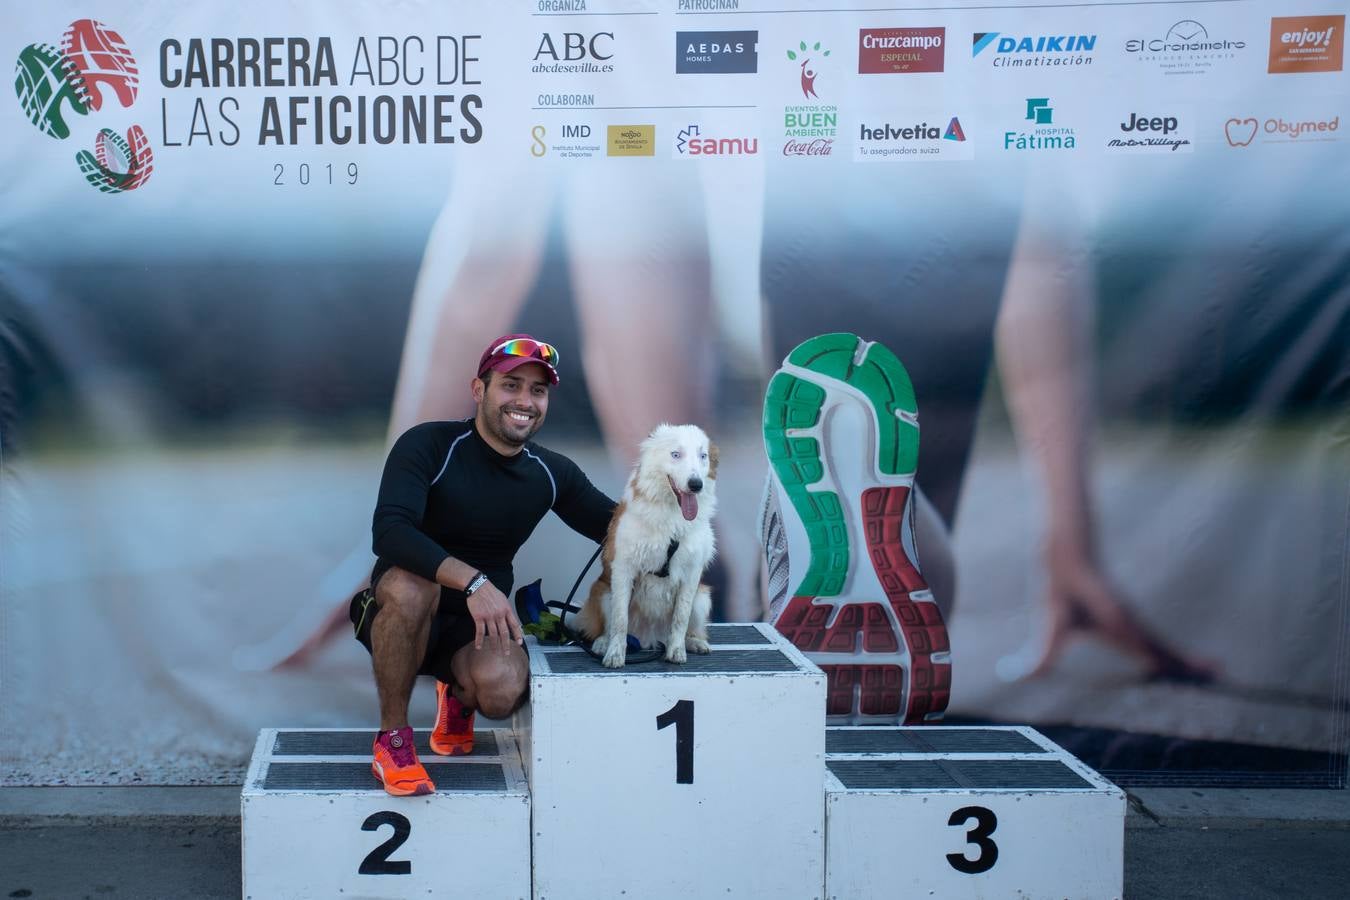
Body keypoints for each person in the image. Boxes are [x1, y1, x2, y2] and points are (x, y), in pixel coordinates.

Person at [350, 333, 614, 796]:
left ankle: (456, 692)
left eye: (538, 390)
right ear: (479, 391)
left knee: (502, 693)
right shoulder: (429, 444)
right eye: (511, 385)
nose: (525, 401)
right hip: (405, 609)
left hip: (476, 628)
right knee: (414, 588)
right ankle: (392, 741)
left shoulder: (552, 472)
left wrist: (673, 502)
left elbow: (618, 529)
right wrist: (474, 582)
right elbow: (390, 532)